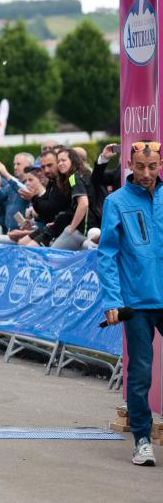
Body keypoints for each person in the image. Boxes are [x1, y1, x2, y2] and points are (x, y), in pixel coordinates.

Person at [98, 140, 163, 466]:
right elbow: (107, 254)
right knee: (140, 373)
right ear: (130, 164)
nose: (147, 173)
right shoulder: (116, 201)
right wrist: (112, 299)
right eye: (140, 167)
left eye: (152, 167)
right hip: (136, 302)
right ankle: (141, 439)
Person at [51, 148, 94, 250]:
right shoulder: (84, 173)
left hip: (84, 229)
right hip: (91, 227)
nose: (60, 164)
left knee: (52, 254)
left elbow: (83, 203)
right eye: (58, 161)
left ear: (73, 160)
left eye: (63, 160)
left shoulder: (73, 177)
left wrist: (71, 228)